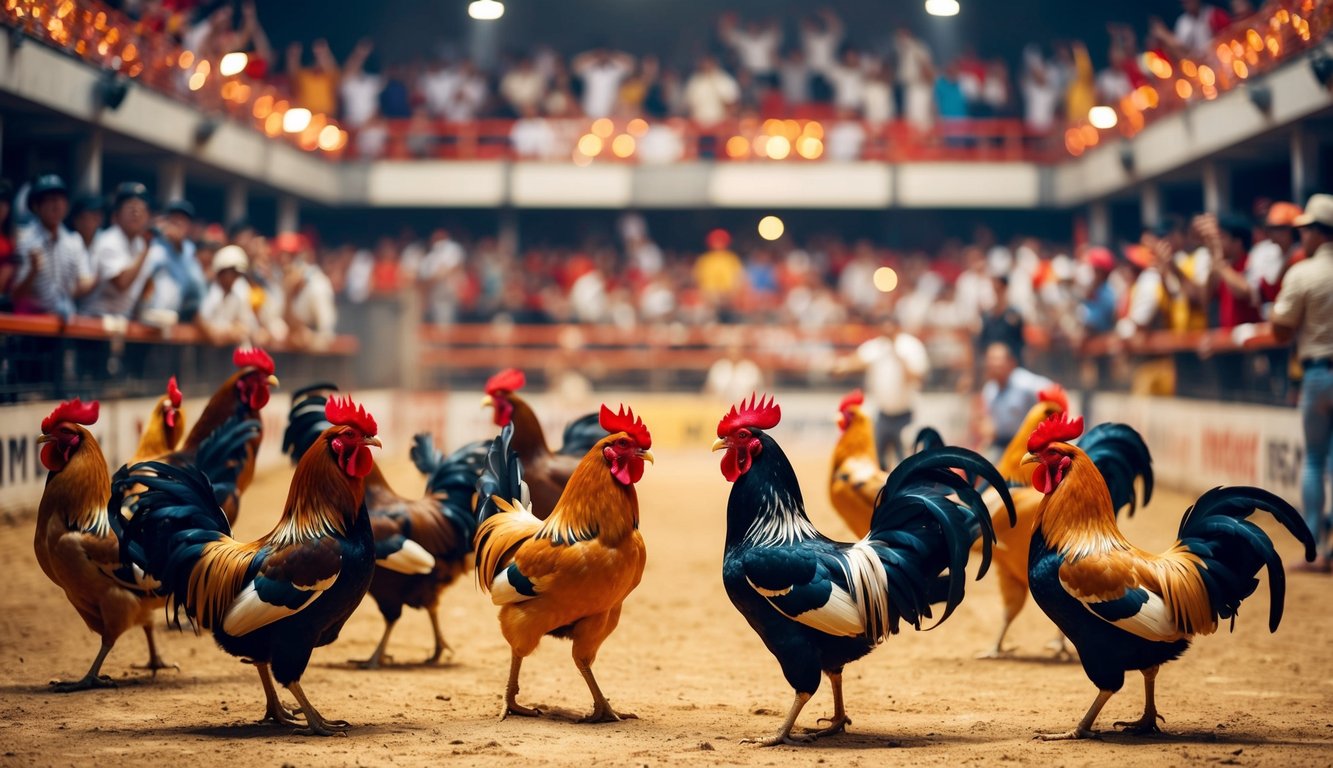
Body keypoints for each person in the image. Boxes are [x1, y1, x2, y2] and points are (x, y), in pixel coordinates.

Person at [1270, 193, 1333, 572]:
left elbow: (1280, 328)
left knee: (1314, 459)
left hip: (1317, 373)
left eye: (1306, 229)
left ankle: (1316, 547)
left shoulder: (1302, 272)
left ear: (1316, 232)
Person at [833, 315, 930, 469]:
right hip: (882, 415)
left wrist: (898, 355)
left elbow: (917, 377)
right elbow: (858, 360)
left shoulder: (911, 346)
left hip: (907, 416)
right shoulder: (877, 346)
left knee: (906, 463)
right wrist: (842, 366)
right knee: (877, 462)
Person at [10, 174, 92, 318]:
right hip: (34, 321)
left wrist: (72, 292)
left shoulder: (74, 241)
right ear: (36, 206)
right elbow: (15, 295)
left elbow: (85, 280)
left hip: (66, 320)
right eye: (50, 200)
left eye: (61, 199)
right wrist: (33, 271)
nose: (57, 205)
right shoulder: (25, 240)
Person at [80, 182, 159, 319]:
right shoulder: (108, 240)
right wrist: (146, 249)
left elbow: (144, 291)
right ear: (116, 215)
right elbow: (121, 283)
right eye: (131, 208)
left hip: (121, 320)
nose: (136, 213)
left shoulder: (140, 244)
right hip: (94, 320)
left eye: (141, 208)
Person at [978, 341, 1054, 458]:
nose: (994, 364)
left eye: (997, 359)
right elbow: (989, 423)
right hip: (1002, 445)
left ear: (1011, 362)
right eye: (990, 359)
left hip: (1028, 447)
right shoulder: (989, 390)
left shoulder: (1025, 383)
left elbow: (1054, 392)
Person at [143, 199, 207, 322]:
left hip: (173, 319)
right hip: (149, 318)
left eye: (183, 220)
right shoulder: (156, 245)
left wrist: (179, 248)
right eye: (174, 219)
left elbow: (198, 289)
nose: (178, 223)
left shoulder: (189, 250)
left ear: (189, 226)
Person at [196, 244, 261, 345]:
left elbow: (248, 327)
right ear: (221, 272)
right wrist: (214, 331)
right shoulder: (211, 291)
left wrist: (234, 331)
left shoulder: (241, 291)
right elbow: (201, 319)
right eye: (231, 272)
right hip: (210, 353)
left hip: (235, 353)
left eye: (236, 273)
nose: (234, 277)